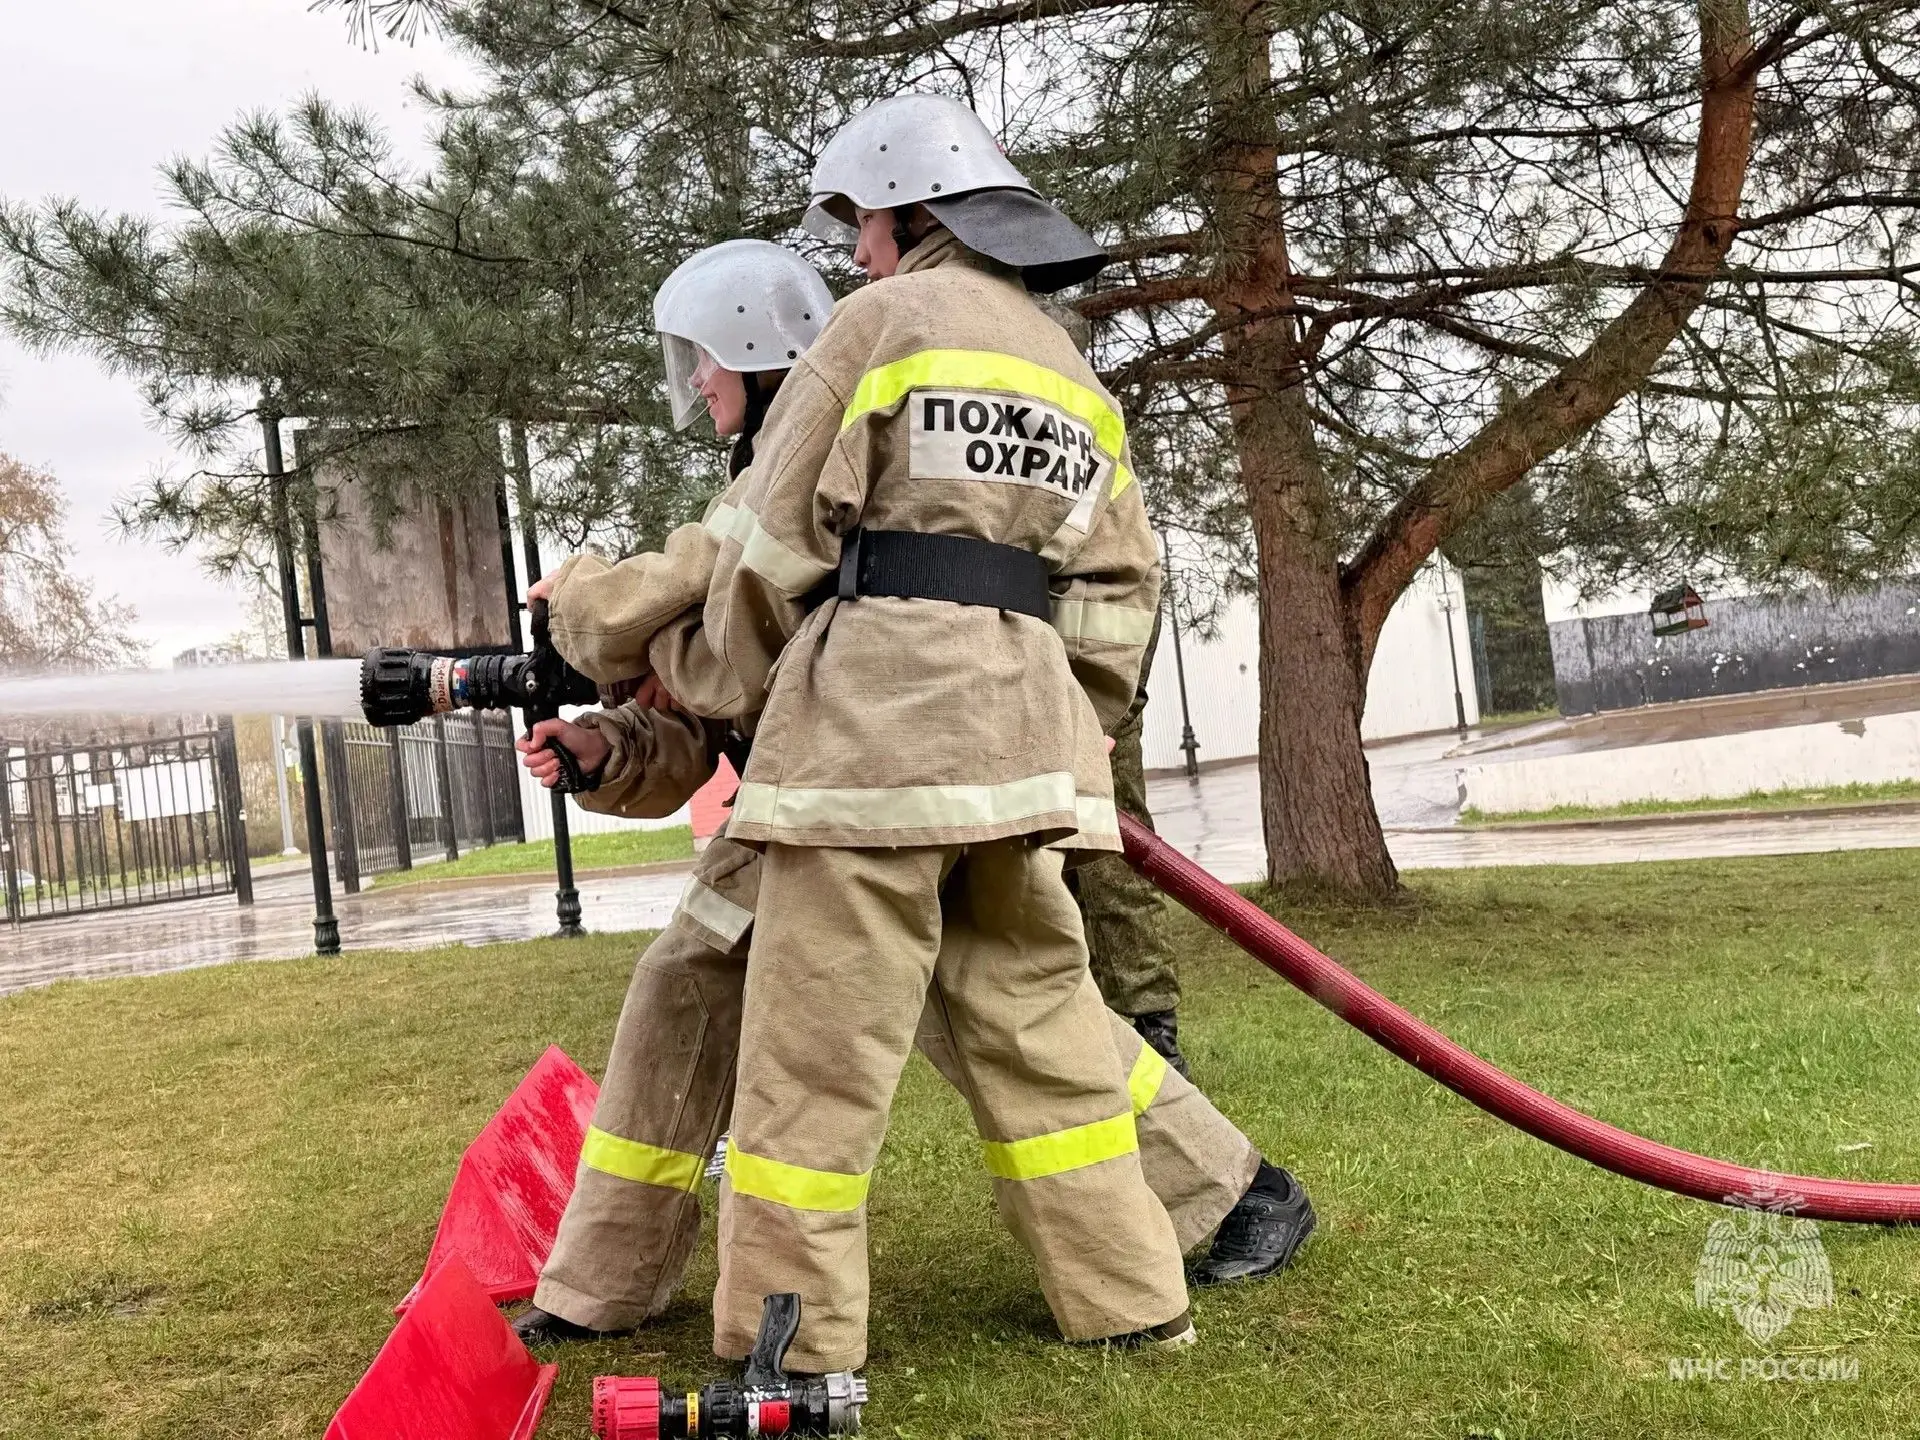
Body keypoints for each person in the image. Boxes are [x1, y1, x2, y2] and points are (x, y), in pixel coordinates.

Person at [512, 237, 1312, 1347]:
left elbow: (735, 656)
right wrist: (609, 749)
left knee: (963, 1021)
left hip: (862, 788)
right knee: (706, 985)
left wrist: (585, 609)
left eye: (705, 357)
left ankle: (1225, 1197)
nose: (695, 381)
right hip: (822, 792)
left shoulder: (809, 493)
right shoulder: (832, 462)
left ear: (755, 348)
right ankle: (600, 1280)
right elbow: (714, 719)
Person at [685, 91, 1218, 1372]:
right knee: (1044, 1040)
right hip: (1021, 755)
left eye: (862, 223)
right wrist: (1062, 727)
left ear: (914, 212)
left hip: (872, 747)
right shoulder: (1065, 362)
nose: (855, 252)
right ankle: (1136, 1300)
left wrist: (734, 680)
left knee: (813, 1066)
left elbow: (770, 541)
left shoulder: (880, 325)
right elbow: (1122, 586)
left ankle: (793, 1352)